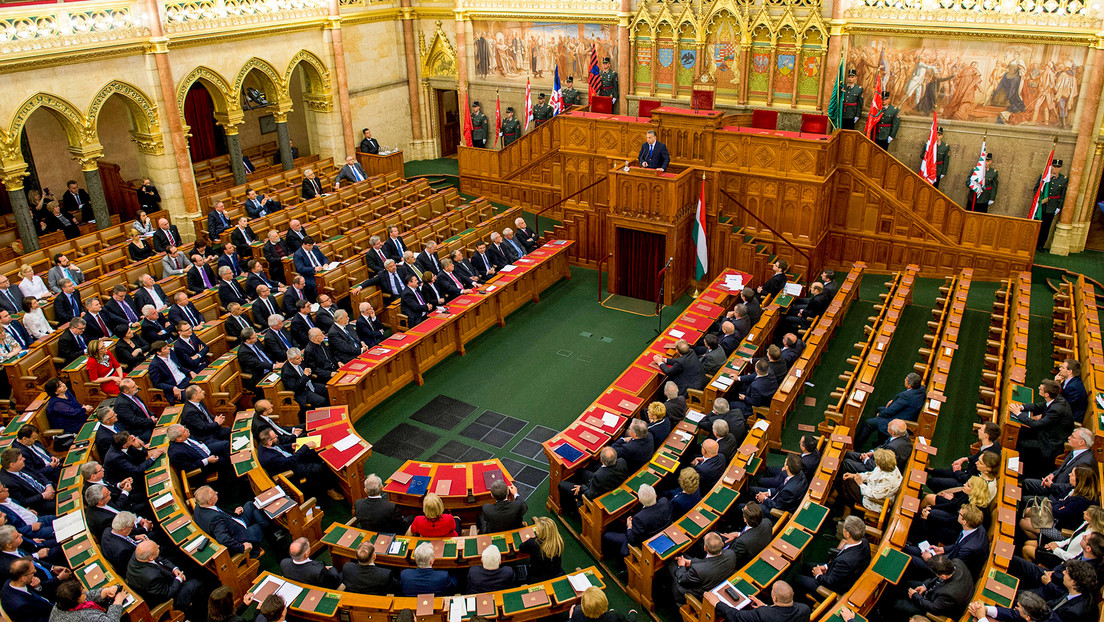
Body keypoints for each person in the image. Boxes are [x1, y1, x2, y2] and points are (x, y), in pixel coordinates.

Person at [793, 516, 870, 601]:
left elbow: (831, 583)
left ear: (848, 534)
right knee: (806, 566)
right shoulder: (864, 542)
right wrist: (826, 567)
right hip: (838, 573)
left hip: (832, 588)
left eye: (844, 528)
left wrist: (818, 575)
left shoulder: (845, 561)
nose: (843, 528)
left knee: (796, 578)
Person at [126, 540, 207, 619]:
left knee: (180, 561)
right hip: (169, 598)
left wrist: (174, 569)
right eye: (157, 548)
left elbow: (158, 558)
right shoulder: (152, 577)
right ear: (150, 558)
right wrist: (178, 579)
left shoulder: (138, 554)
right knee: (197, 583)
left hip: (163, 578)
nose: (158, 546)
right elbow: (168, 594)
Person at [256, 429, 343, 500]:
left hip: (289, 459)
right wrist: (304, 447)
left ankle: (332, 479)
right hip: (291, 470)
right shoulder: (269, 457)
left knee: (313, 454)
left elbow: (278, 448)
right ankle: (330, 489)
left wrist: (290, 446)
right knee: (319, 467)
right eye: (275, 437)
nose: (277, 436)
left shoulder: (264, 444)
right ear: (269, 442)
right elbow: (290, 462)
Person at [1011, 379, 1074, 472]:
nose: (1038, 389)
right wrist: (1021, 407)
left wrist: (1018, 414)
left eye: (1040, 389)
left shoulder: (1056, 410)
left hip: (1049, 442)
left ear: (1046, 394)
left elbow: (1035, 424)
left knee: (1020, 443)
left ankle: (1022, 470)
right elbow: (1038, 406)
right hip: (1047, 431)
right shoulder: (1056, 398)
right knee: (1021, 432)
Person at [927, 422, 1000, 492]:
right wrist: (965, 459)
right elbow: (976, 457)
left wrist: (957, 472)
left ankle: (945, 495)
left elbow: (968, 478)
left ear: (986, 436)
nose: (978, 430)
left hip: (965, 483)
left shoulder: (984, 461)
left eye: (981, 429)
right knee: (935, 471)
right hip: (965, 472)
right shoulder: (995, 444)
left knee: (931, 482)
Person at [602, 484, 670, 556]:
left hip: (646, 544)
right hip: (662, 535)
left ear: (640, 501)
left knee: (607, 535)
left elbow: (632, 540)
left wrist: (629, 527)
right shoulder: (665, 502)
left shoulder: (639, 518)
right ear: (656, 496)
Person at [558, 447, 628, 510]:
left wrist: (581, 487)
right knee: (580, 471)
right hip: (609, 484)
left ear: (601, 460)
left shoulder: (599, 475)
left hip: (598, 495)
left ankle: (569, 508)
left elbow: (589, 495)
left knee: (561, 484)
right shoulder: (622, 462)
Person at [716, 581, 810, 622]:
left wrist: (717, 603)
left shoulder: (763, 615)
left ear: (774, 599)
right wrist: (765, 606)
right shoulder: (805, 608)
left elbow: (736, 616)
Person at [2, 557, 54, 622]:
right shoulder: (21, 606)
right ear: (23, 578)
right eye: (33, 572)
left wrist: (37, 587)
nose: (35, 571)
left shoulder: (11, 581)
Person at [726, 503, 773, 567]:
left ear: (745, 519)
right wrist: (739, 534)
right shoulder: (767, 522)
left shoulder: (741, 542)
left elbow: (733, 559)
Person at [1035, 159, 1068, 251]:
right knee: (1037, 225)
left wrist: (1059, 207)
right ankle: (1033, 243)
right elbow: (1036, 189)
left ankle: (1041, 245)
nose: (1055, 169)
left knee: (1046, 227)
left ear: (1060, 168)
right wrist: (1038, 200)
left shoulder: (1063, 179)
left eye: (1058, 167)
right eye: (1054, 166)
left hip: (1052, 206)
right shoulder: (1044, 176)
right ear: (1051, 167)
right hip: (1041, 206)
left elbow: (1063, 194)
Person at [518, 516, 564, 581]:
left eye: (537, 529)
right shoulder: (558, 541)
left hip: (538, 576)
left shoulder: (533, 543)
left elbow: (521, 548)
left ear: (540, 532)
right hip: (555, 573)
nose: (536, 530)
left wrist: (530, 539)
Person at [967, 591, 1055, 622]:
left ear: (1028, 618)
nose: (1016, 608)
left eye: (1019, 608)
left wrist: (982, 618)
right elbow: (1014, 614)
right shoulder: (1040, 612)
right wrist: (985, 609)